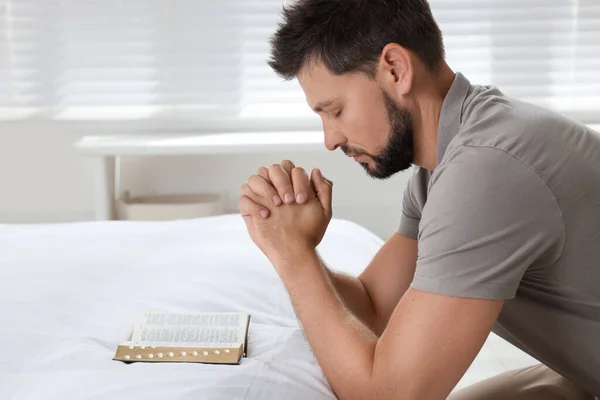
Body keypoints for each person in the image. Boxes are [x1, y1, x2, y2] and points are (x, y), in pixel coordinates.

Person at [237, 1, 600, 399]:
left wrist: (293, 256)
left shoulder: (486, 169)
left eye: (336, 111)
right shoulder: (449, 162)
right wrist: (296, 243)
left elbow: (389, 395)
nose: (331, 140)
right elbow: (375, 307)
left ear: (395, 68)